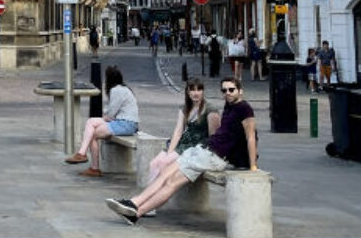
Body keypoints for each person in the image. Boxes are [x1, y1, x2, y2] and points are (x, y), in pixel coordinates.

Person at [105, 76, 258, 225]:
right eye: (224, 91)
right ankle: (133, 202)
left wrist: (253, 166)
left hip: (214, 157)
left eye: (231, 90)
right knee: (164, 174)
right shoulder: (229, 106)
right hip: (202, 150)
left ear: (240, 91)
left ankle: (137, 213)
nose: (228, 93)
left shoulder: (245, 109)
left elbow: (250, 137)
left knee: (172, 183)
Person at [64, 65, 137, 176]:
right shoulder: (123, 89)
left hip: (125, 124)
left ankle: (93, 166)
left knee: (93, 133)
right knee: (90, 122)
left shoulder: (116, 90)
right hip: (124, 122)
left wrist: (104, 116)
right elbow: (111, 112)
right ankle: (82, 154)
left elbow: (111, 114)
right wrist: (105, 116)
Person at [147, 79, 220, 182]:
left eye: (199, 90)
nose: (196, 93)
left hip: (195, 146)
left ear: (203, 91)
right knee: (154, 163)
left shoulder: (210, 109)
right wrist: (170, 151)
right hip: (183, 143)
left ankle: (160, 192)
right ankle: (151, 191)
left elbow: (214, 136)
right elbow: (178, 131)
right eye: (193, 90)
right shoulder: (185, 108)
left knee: (165, 163)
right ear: (187, 92)